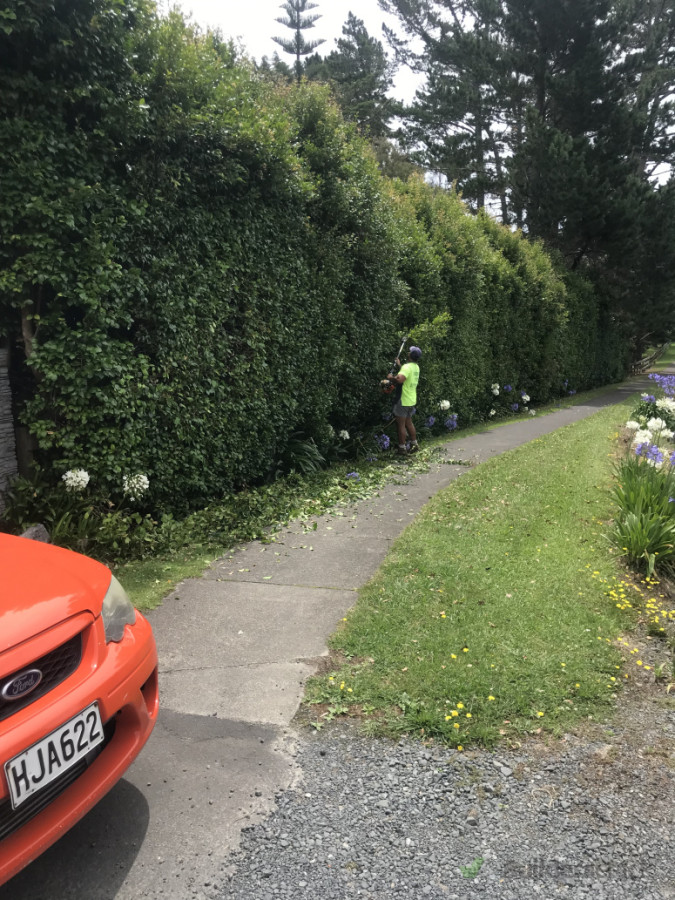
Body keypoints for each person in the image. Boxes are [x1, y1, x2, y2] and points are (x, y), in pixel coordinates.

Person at [386, 345, 421, 456]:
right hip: (411, 399)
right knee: (408, 423)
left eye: (408, 352)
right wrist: (400, 365)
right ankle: (414, 445)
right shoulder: (415, 367)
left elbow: (400, 379)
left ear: (410, 355)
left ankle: (402, 449)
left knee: (400, 424)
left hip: (403, 399)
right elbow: (406, 374)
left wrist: (390, 377)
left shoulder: (407, 367)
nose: (407, 352)